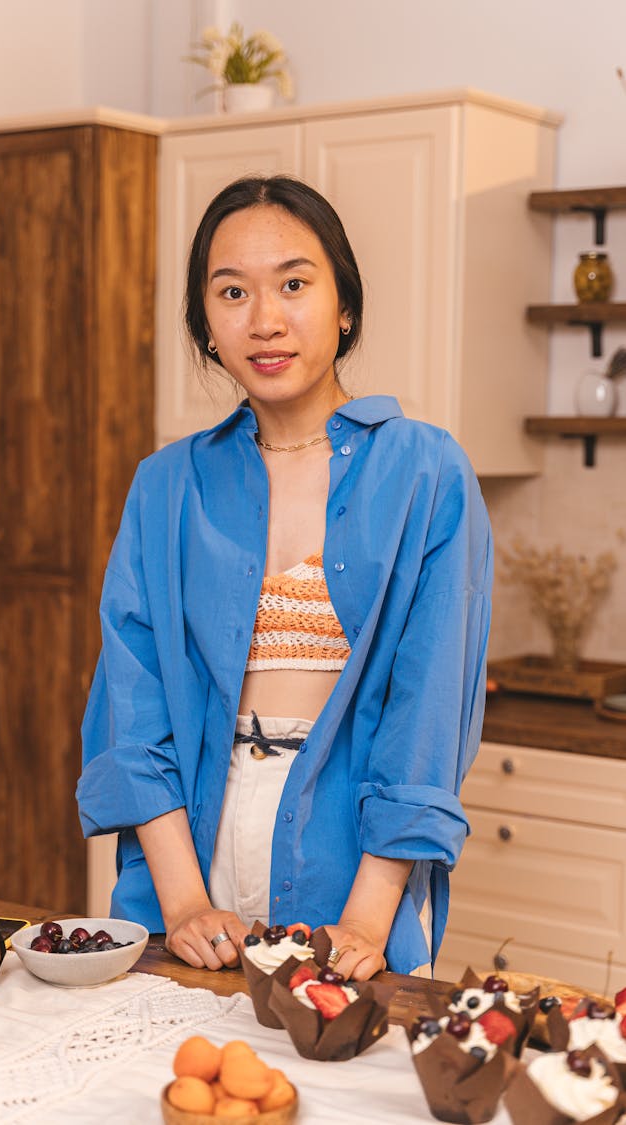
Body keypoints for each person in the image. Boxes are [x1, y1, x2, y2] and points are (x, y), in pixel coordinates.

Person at [77, 175, 492, 982]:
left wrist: (366, 920)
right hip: (188, 847)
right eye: (232, 292)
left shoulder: (428, 472)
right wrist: (185, 903)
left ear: (344, 306)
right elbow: (134, 708)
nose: (265, 320)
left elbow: (429, 710)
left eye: (294, 284)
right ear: (206, 326)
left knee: (337, 1083)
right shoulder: (165, 485)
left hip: (356, 854)